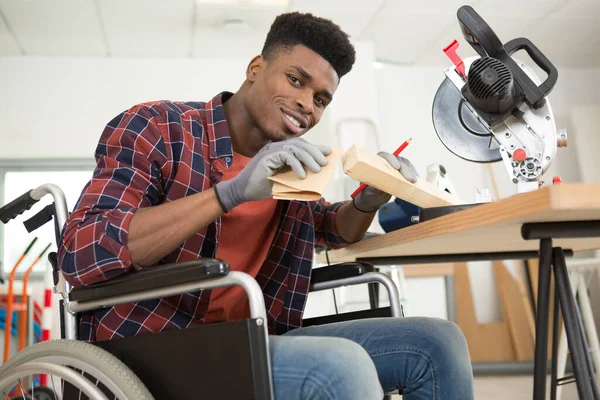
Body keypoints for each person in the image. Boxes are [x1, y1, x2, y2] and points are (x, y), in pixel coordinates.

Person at [58, 11, 474, 400]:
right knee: (340, 368)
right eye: (296, 80)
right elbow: (80, 251)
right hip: (153, 344)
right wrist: (229, 193)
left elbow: (331, 227)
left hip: (249, 339)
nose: (307, 105)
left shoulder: (290, 163)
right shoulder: (157, 127)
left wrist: (367, 200)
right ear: (255, 69)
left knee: (438, 343)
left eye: (321, 99)